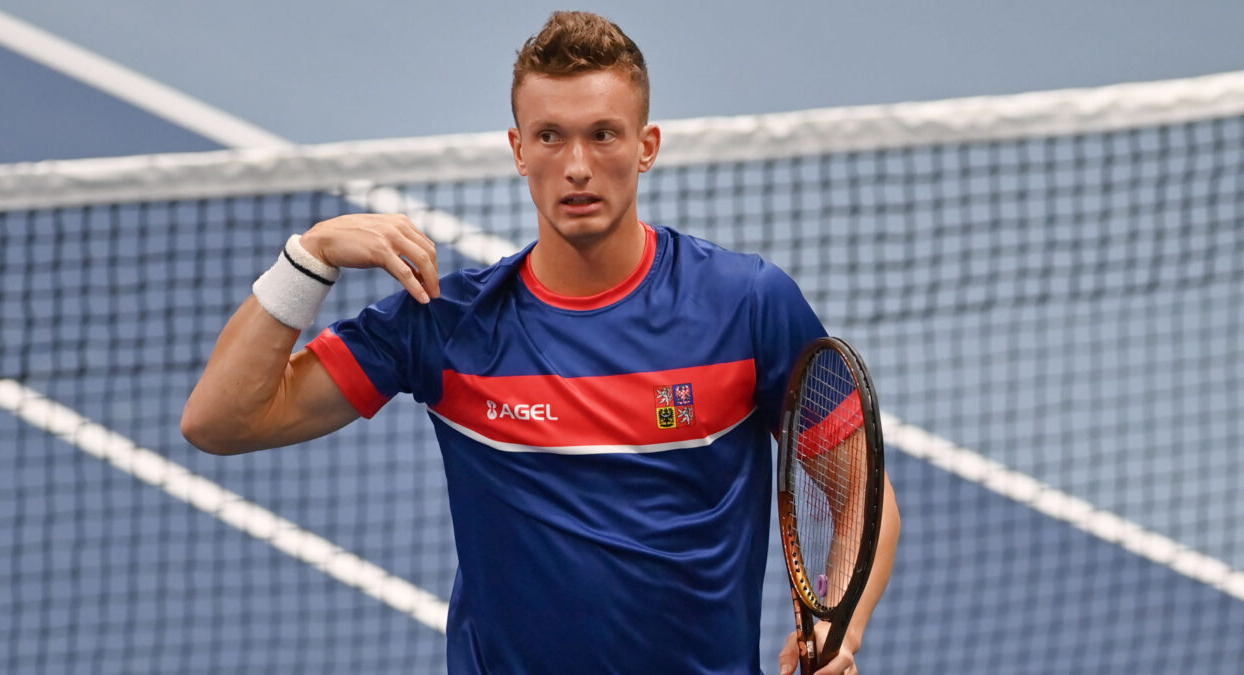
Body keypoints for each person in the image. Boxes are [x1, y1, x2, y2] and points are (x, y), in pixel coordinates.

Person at [182, 10, 899, 675]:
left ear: (646, 147)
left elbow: (862, 489)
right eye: (551, 136)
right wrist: (310, 258)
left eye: (603, 134)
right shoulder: (447, 322)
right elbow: (221, 420)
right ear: (519, 150)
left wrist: (839, 623)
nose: (577, 165)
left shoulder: (746, 305)